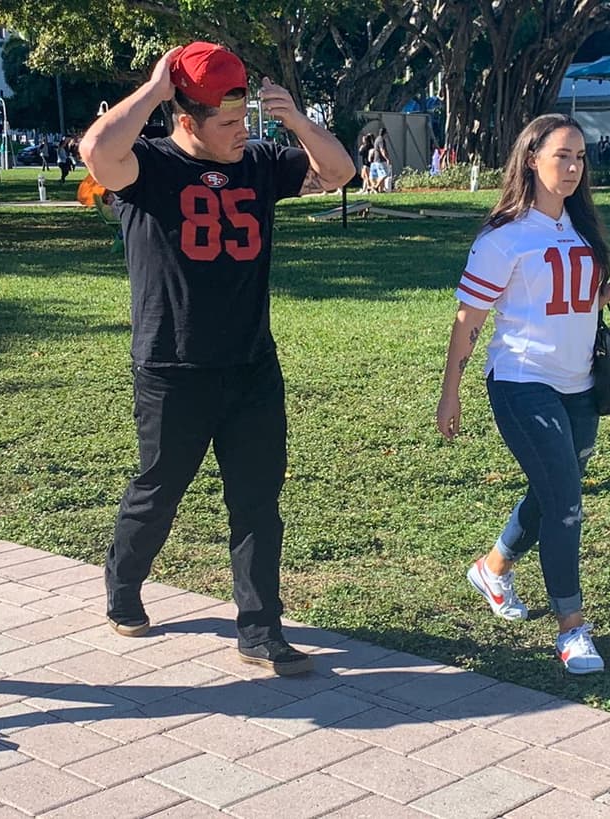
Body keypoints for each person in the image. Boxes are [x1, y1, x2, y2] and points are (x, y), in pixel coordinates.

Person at [80, 41, 354, 675]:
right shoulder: (144, 167)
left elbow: (338, 174)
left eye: (245, 120)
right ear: (186, 119)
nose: (241, 133)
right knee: (160, 489)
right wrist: (154, 88)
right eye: (227, 123)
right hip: (172, 367)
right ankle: (123, 584)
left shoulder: (259, 162)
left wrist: (296, 121)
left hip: (252, 364)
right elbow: (95, 152)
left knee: (258, 500)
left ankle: (261, 630)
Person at [435, 113, 610, 675]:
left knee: (553, 490)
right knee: (567, 501)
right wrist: (450, 392)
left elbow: (571, 298)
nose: (573, 167)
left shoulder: (581, 225)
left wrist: (607, 291)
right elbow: (468, 319)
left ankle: (493, 567)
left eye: (579, 157)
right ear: (531, 159)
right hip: (523, 383)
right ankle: (572, 629)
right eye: (561, 156)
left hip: (581, 385)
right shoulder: (504, 237)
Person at [371, 127, 393, 193]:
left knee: (380, 176)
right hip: (380, 160)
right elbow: (382, 150)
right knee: (385, 175)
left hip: (376, 159)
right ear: (385, 133)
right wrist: (387, 159)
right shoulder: (381, 140)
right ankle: (376, 187)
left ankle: (380, 190)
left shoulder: (377, 139)